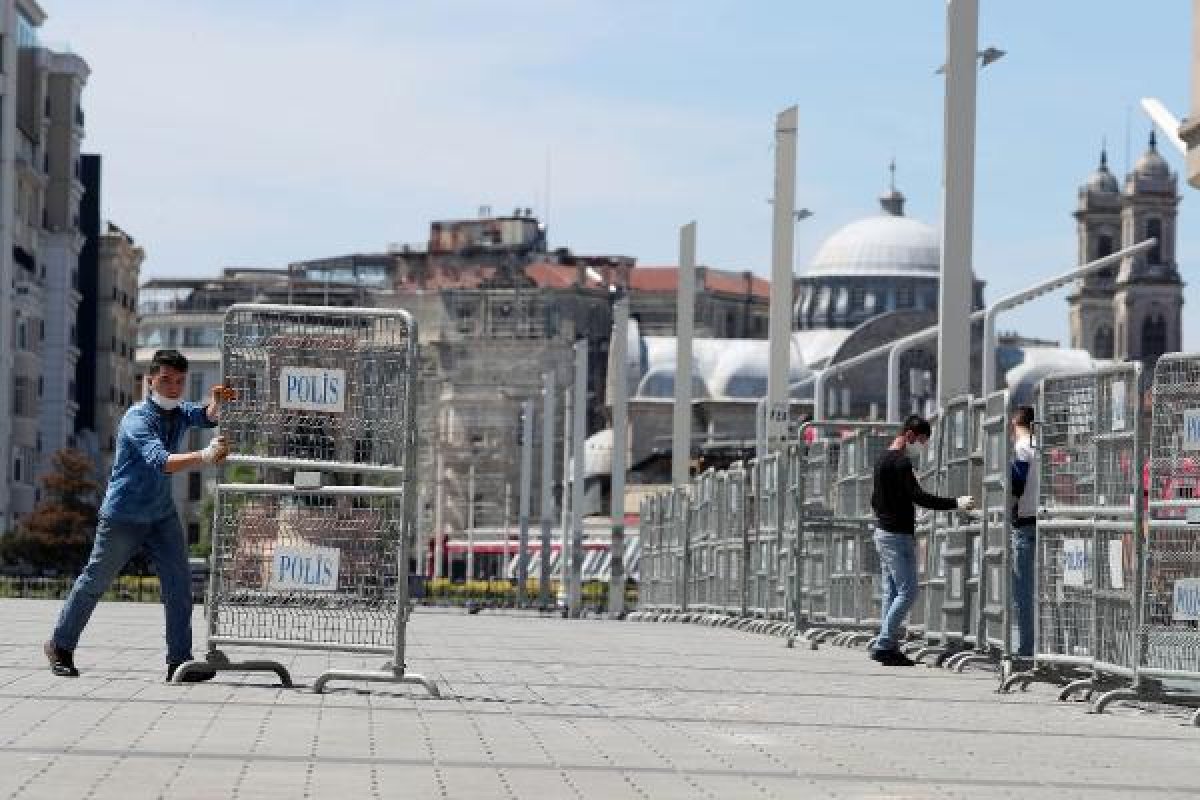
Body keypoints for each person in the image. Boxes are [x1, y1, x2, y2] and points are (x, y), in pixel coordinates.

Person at [44, 349, 234, 682]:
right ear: (150, 381)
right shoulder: (137, 418)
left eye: (179, 381)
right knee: (95, 582)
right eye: (166, 380)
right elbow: (161, 460)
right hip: (123, 516)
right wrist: (205, 455)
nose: (173, 388)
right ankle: (59, 646)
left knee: (178, 585)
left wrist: (217, 404)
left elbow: (204, 415)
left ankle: (179, 661)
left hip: (161, 515)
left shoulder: (178, 411)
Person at [869, 414, 975, 666]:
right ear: (909, 436)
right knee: (908, 591)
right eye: (921, 441)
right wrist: (955, 503)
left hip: (883, 532)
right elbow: (919, 497)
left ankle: (889, 645)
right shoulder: (902, 463)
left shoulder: (881, 460)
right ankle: (884, 643)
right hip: (897, 536)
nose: (922, 447)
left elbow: (875, 499)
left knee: (892, 592)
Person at [1009, 405, 1038, 660]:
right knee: (1046, 591)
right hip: (1044, 523)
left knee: (1023, 593)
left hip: (1024, 524)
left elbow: (1017, 485)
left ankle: (1026, 649)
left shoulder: (1021, 448)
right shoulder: (1042, 447)